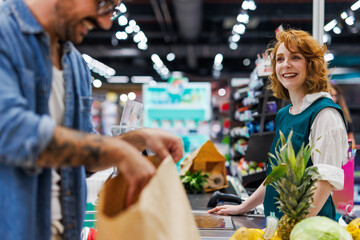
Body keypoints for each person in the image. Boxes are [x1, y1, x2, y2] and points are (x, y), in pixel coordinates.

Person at [0, 0, 183, 240]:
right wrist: (117, 151)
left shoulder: (76, 65)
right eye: (105, 4)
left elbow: (83, 159)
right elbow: (10, 131)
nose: (106, 23)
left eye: (114, 11)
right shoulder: (5, 34)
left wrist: (137, 139)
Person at [209, 29, 348, 220]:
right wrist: (243, 207)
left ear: (312, 65)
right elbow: (276, 176)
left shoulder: (325, 114)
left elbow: (325, 181)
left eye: (295, 57)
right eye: (280, 59)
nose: (286, 65)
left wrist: (291, 229)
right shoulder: (284, 114)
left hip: (309, 230)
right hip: (277, 223)